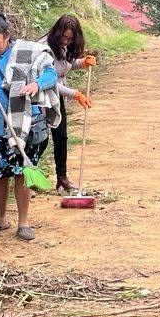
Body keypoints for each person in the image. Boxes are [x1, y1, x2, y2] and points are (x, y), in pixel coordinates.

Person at [0, 13, 58, 242]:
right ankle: (0, 219)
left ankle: (24, 223)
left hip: (24, 126)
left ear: (7, 36)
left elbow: (51, 74)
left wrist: (36, 84)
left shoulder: (27, 52)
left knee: (22, 174)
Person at [44, 13, 94, 194]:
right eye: (64, 37)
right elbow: (49, 81)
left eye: (70, 38)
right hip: (39, 99)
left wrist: (83, 62)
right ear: (57, 33)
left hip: (57, 98)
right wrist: (75, 94)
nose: (66, 41)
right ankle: (26, 178)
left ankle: (62, 178)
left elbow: (67, 64)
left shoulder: (64, 47)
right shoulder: (45, 48)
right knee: (40, 141)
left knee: (61, 137)